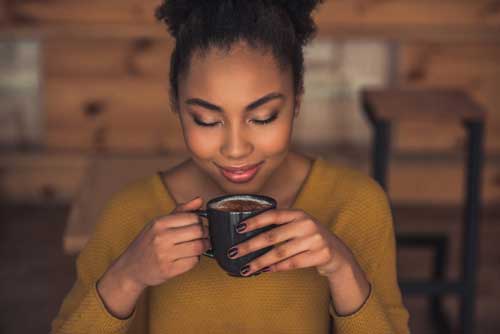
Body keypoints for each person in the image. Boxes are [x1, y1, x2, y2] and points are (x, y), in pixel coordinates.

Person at [52, 1, 410, 333]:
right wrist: (127, 277)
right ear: (176, 105)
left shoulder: (354, 203)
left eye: (263, 117)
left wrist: (342, 268)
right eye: (206, 120)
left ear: (297, 101)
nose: (236, 150)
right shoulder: (132, 212)